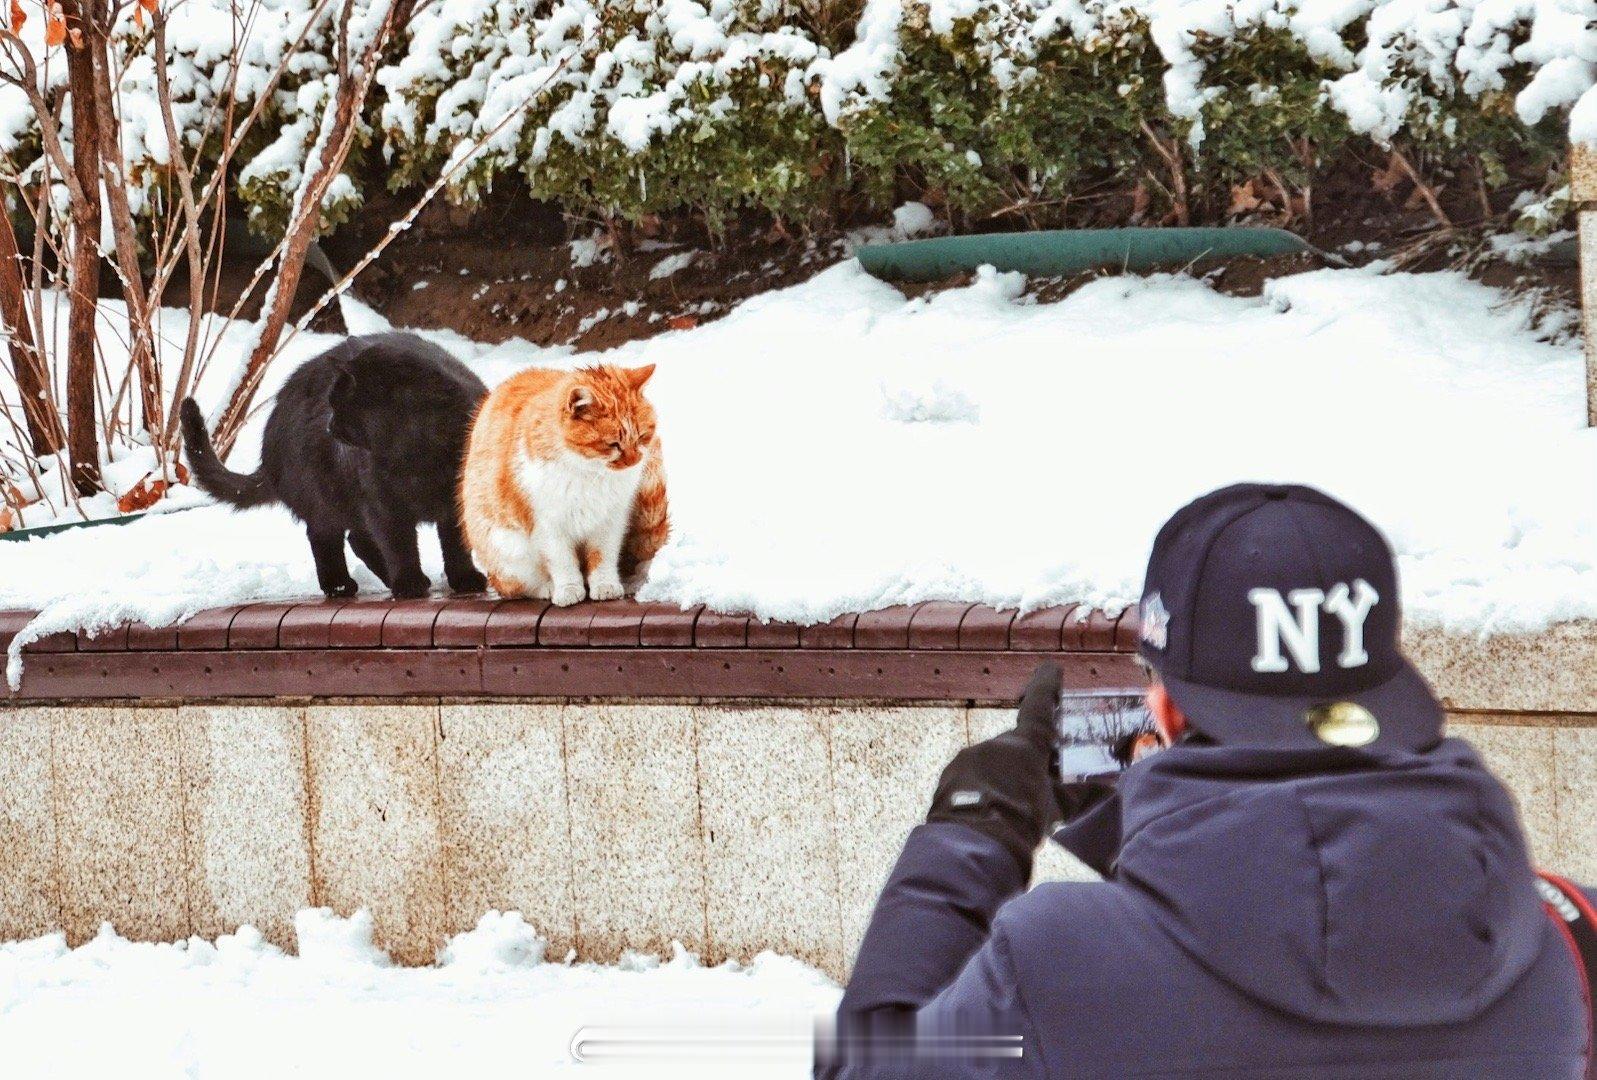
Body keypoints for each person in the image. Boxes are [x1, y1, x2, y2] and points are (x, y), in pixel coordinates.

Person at [820, 482, 1594, 1079]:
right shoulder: (1568, 935)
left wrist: (970, 835)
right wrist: (1151, 831)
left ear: (1163, 702)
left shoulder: (1050, 967)